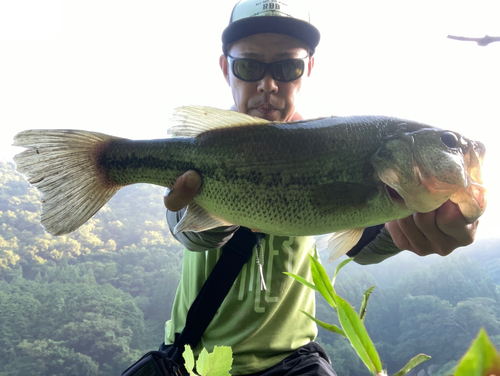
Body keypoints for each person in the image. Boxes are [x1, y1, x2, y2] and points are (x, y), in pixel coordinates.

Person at [162, 1, 479, 375]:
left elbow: (363, 245)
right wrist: (210, 204)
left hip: (293, 361)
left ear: (308, 68)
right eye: (248, 66)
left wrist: (423, 223)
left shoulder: (335, 145)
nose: (268, 84)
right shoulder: (201, 146)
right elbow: (189, 233)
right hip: (195, 359)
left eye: (287, 66)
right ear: (225, 68)